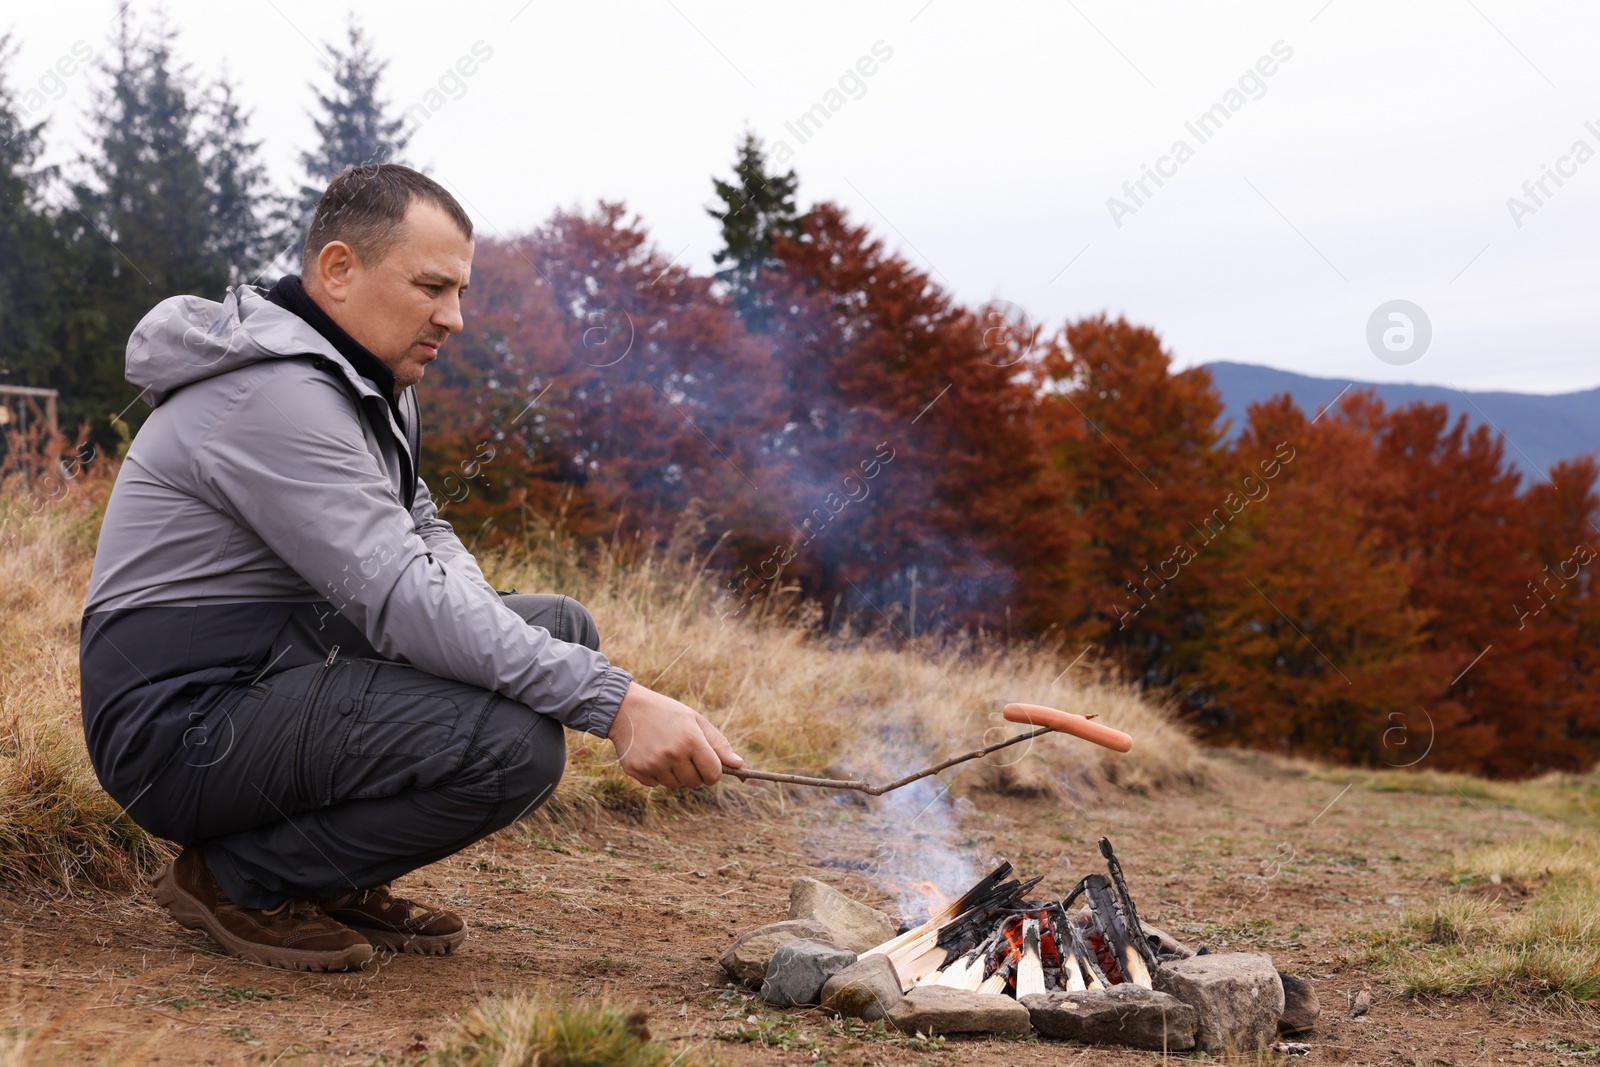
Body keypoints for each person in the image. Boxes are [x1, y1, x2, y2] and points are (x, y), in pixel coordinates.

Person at [79, 163, 742, 972]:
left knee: (561, 630)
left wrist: (504, 643)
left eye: (460, 290)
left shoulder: (368, 379)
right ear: (338, 270)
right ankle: (238, 877)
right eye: (433, 286)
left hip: (271, 666)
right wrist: (619, 704)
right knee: (513, 745)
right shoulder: (276, 395)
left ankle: (328, 872)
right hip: (182, 724)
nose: (454, 317)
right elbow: (398, 594)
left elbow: (421, 528)